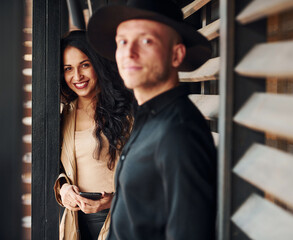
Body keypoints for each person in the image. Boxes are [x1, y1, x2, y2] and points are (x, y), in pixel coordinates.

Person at [87, 0, 217, 239]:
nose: (129, 52)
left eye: (146, 41)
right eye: (122, 41)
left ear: (176, 54)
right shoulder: (149, 117)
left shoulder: (179, 132)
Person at [53, 30, 133, 240]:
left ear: (98, 64)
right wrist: (64, 191)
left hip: (120, 218)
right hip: (77, 223)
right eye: (68, 68)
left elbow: (148, 174)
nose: (77, 76)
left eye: (85, 65)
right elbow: (60, 169)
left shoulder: (125, 112)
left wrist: (112, 200)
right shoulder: (65, 116)